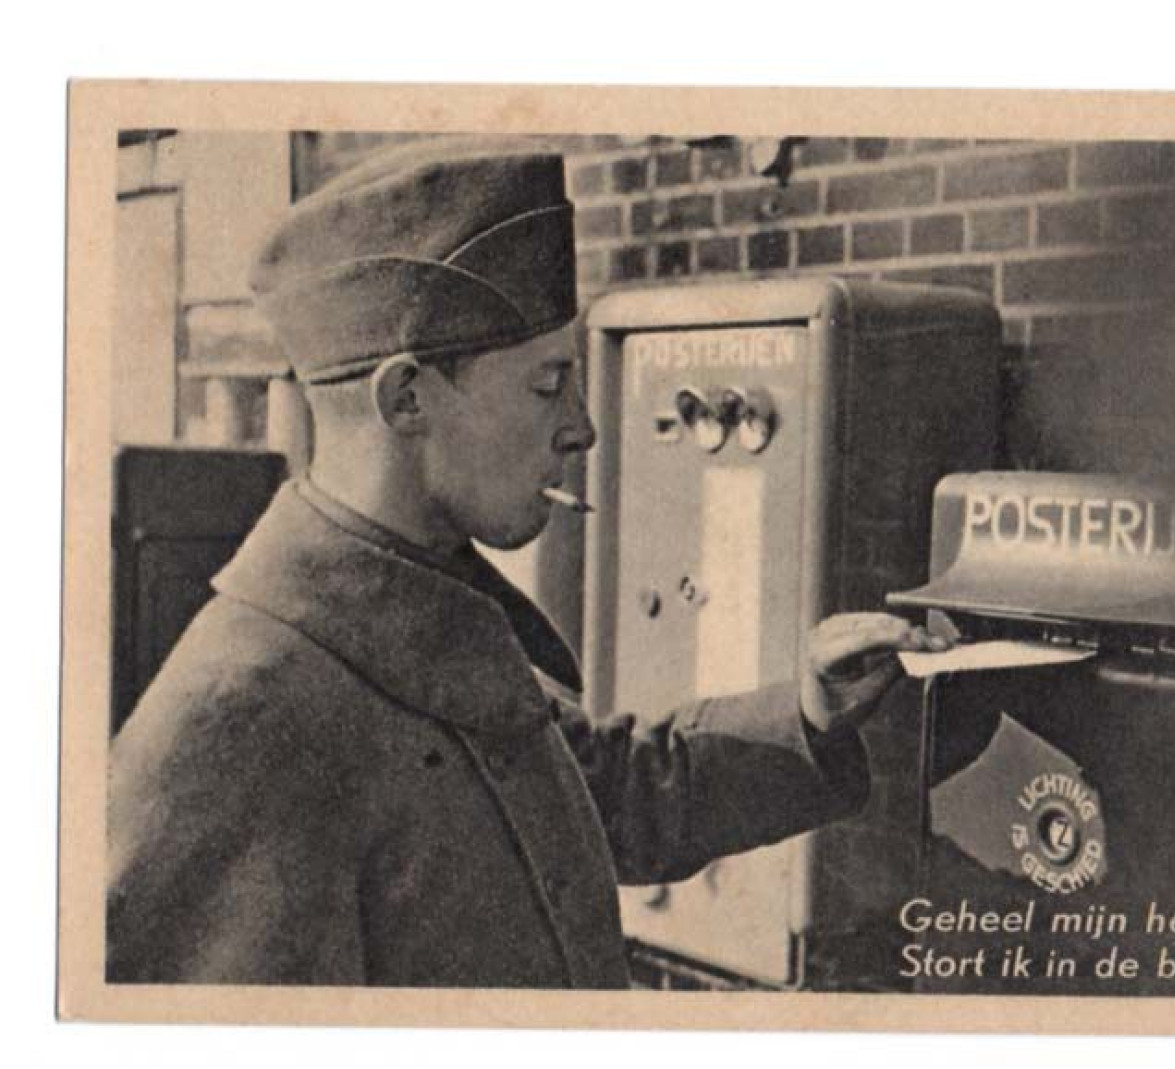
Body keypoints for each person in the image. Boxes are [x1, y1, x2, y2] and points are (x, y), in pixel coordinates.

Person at [106, 138, 943, 989]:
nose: (582, 428)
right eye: (547, 385)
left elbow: (602, 796)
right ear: (406, 398)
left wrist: (808, 710)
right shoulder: (236, 727)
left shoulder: (421, 614)